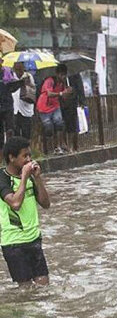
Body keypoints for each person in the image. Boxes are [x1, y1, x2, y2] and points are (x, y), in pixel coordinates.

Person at [0, 137, 51, 287]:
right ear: (11, 157)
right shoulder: (2, 178)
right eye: (24, 156)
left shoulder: (30, 177)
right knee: (26, 291)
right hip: (14, 244)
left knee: (44, 286)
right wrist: (23, 177)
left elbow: (46, 204)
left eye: (30, 156)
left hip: (34, 239)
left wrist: (37, 178)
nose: (28, 160)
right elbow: (15, 203)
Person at [36, 64, 70, 154]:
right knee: (48, 128)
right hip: (44, 106)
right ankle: (46, 148)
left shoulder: (62, 83)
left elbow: (63, 97)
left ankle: (57, 147)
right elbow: (49, 93)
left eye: (65, 75)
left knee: (59, 124)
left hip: (55, 106)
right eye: (62, 75)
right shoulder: (50, 81)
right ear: (58, 74)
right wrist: (61, 93)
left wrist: (67, 92)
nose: (63, 77)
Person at [0, 62, 24, 149]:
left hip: (7, 104)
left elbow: (12, 88)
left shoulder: (7, 71)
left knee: (10, 128)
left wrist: (20, 83)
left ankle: (10, 150)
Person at [10, 62, 35, 141]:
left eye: (20, 67)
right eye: (17, 68)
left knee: (26, 131)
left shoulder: (28, 76)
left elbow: (33, 89)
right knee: (16, 131)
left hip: (26, 108)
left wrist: (27, 83)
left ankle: (26, 150)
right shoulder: (11, 76)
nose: (18, 70)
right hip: (15, 108)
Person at [61, 73, 84, 152]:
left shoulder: (74, 74)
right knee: (62, 124)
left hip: (72, 103)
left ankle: (74, 145)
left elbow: (80, 88)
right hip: (61, 102)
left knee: (72, 125)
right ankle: (65, 145)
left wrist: (81, 101)